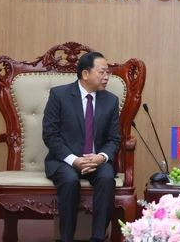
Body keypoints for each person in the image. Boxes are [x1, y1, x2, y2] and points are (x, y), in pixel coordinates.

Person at [43, 52, 121, 242]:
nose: (106, 77)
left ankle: (97, 238)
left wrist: (101, 157)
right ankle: (66, 238)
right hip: (64, 160)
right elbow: (50, 135)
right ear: (85, 74)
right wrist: (74, 160)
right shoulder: (59, 95)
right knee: (69, 180)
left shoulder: (110, 100)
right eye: (102, 72)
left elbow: (114, 139)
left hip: (96, 159)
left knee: (106, 178)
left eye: (108, 73)